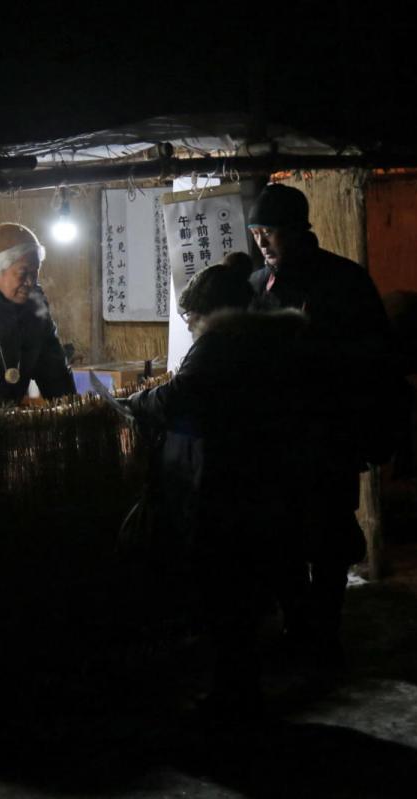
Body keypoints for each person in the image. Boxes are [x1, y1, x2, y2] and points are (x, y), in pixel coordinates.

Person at [127, 259, 314, 719]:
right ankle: (245, 686)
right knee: (246, 588)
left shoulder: (220, 343)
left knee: (224, 590)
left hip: (225, 483)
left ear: (208, 313)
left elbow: (180, 396)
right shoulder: (272, 338)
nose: (189, 326)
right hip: (262, 478)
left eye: (191, 318)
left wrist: (136, 403)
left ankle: (234, 696)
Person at [246, 183, 396, 663]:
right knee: (281, 537)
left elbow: (376, 360)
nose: (263, 242)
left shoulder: (344, 281)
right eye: (257, 233)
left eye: (270, 232)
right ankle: (297, 628)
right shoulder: (256, 287)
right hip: (276, 441)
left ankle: (326, 635)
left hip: (329, 435)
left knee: (329, 540)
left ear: (297, 230)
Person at [0, 223, 75, 405]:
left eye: (35, 272)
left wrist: (74, 412)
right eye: (22, 273)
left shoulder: (35, 310)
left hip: (8, 422)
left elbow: (55, 375)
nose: (30, 282)